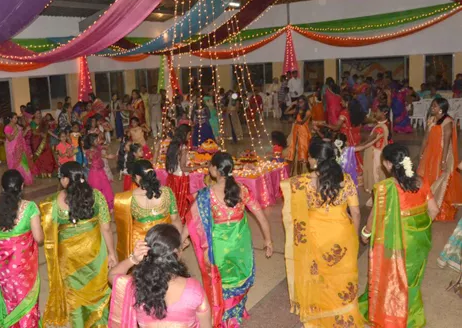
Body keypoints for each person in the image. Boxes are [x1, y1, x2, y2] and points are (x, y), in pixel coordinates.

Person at [280, 140, 363, 327]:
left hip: (316, 235)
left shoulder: (302, 183)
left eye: (309, 156)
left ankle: (321, 313)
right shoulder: (346, 179)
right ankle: (345, 314)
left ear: (316, 159)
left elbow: (290, 202)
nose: (307, 160)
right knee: (343, 275)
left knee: (320, 274)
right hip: (342, 234)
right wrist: (354, 237)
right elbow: (356, 212)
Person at [184, 152, 273, 326]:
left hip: (219, 248)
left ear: (216, 170)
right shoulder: (243, 190)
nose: (209, 168)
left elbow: (191, 221)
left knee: (222, 282)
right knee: (239, 278)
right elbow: (261, 216)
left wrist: (179, 242)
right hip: (240, 245)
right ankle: (236, 313)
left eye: (210, 165)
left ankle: (224, 316)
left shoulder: (206, 194)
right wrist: (268, 240)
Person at [359, 144, 440, 328]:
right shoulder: (422, 181)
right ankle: (411, 316)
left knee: (392, 276)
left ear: (388, 164)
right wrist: (418, 227)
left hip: (396, 240)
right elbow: (434, 210)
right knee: (412, 277)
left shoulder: (385, 188)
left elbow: (374, 219)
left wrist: (366, 234)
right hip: (420, 239)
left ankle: (391, 315)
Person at [40, 162, 117, 327]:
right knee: (100, 290)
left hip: (69, 257)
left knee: (74, 295)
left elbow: (48, 233)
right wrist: (111, 253)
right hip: (95, 251)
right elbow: (106, 228)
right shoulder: (96, 196)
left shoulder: (52, 202)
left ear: (66, 180)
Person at [108, 225, 211, 328]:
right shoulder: (193, 289)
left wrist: (133, 259)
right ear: (177, 253)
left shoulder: (137, 287)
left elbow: (112, 275)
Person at [0, 170, 44, 327]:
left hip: (4, 270)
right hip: (24, 270)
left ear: (2, 187)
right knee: (27, 302)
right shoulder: (30, 208)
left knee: (10, 301)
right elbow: (39, 238)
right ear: (22, 186)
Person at [114, 160, 182, 261]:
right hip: (164, 243)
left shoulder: (126, 199)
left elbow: (124, 227)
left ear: (137, 177)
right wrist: (177, 244)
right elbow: (175, 219)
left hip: (140, 247)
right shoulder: (167, 192)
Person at [417, 98, 462, 221]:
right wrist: (421, 153)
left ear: (441, 109)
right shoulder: (431, 120)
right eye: (432, 105)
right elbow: (425, 138)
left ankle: (440, 205)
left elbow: (447, 142)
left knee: (440, 178)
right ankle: (428, 202)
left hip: (443, 153)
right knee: (427, 175)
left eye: (435, 106)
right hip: (430, 152)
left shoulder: (447, 121)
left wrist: (443, 160)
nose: (432, 108)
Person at [357, 105, 391, 193]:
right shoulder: (386, 123)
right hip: (382, 151)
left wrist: (359, 147)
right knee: (380, 173)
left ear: (384, 113)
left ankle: (378, 195)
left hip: (377, 153)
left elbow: (370, 139)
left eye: (378, 111)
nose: (376, 113)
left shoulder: (380, 127)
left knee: (376, 174)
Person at [165, 124, 193, 223]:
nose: (189, 136)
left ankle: (173, 221)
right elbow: (183, 167)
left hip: (173, 177)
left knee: (174, 201)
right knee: (181, 203)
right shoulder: (183, 147)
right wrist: (200, 166)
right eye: (189, 134)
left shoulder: (174, 145)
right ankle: (180, 223)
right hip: (181, 179)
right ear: (185, 134)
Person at [84, 133, 115, 211]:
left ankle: (109, 206)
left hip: (101, 171)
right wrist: (107, 156)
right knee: (98, 189)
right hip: (95, 173)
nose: (98, 140)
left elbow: (102, 149)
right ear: (92, 142)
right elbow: (91, 158)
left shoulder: (97, 147)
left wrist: (106, 150)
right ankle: (101, 206)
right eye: (96, 139)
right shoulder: (89, 152)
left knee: (106, 187)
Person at [4, 113, 34, 185]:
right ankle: (16, 181)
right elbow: (10, 139)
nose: (16, 119)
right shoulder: (7, 128)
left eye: (16, 118)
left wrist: (26, 130)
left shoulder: (17, 126)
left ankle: (24, 180)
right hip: (12, 149)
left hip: (20, 148)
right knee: (15, 165)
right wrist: (16, 131)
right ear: (10, 119)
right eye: (14, 118)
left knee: (24, 164)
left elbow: (22, 136)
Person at [285, 95, 312, 174]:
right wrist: (291, 105)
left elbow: (302, 122)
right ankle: (295, 171)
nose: (300, 104)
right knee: (295, 150)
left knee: (303, 151)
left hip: (303, 132)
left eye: (301, 102)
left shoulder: (308, 111)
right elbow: (285, 112)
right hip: (296, 131)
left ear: (305, 102)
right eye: (299, 102)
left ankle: (304, 172)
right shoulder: (297, 110)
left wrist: (294, 121)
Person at [30, 113, 57, 178]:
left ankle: (49, 171)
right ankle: (41, 172)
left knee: (48, 154)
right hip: (37, 141)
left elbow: (47, 130)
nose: (38, 114)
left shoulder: (43, 121)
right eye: (37, 113)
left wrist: (56, 136)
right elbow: (33, 132)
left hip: (45, 140)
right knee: (40, 156)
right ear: (34, 114)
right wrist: (40, 134)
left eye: (39, 113)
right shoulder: (33, 122)